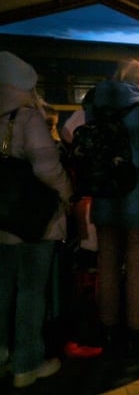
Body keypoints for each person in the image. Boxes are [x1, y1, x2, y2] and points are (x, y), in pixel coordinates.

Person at [85, 75, 139, 355]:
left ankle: (108, 327)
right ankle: (136, 329)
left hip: (105, 201)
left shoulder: (93, 108)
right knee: (138, 267)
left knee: (107, 265)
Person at [0, 52, 72, 389]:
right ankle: (27, 363)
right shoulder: (26, 117)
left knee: (3, 288)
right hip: (33, 220)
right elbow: (47, 169)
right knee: (32, 291)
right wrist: (66, 192)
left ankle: (2, 351)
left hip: (3, 220)